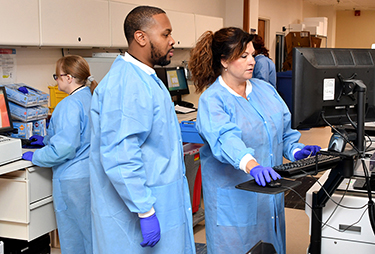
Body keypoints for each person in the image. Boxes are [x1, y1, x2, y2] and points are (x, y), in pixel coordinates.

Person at [188, 27, 321, 254]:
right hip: (235, 200)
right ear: (224, 61)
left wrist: (297, 150)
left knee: (269, 247)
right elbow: (226, 140)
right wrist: (253, 165)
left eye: (252, 54)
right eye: (243, 56)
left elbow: (283, 132)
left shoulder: (266, 90)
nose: (252, 61)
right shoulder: (213, 100)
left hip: (268, 196)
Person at [89, 5, 196, 253]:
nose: (172, 41)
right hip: (140, 208)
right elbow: (120, 156)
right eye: (166, 34)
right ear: (141, 37)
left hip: (161, 200)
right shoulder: (126, 84)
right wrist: (145, 210)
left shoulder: (146, 78)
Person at [22, 55, 97, 254]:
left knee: (74, 238)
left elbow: (64, 149)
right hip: (89, 175)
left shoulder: (69, 105)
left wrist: (35, 157)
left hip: (72, 181)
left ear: (69, 77)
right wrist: (46, 140)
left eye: (57, 76)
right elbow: (79, 136)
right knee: (90, 234)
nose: (56, 81)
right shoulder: (90, 98)